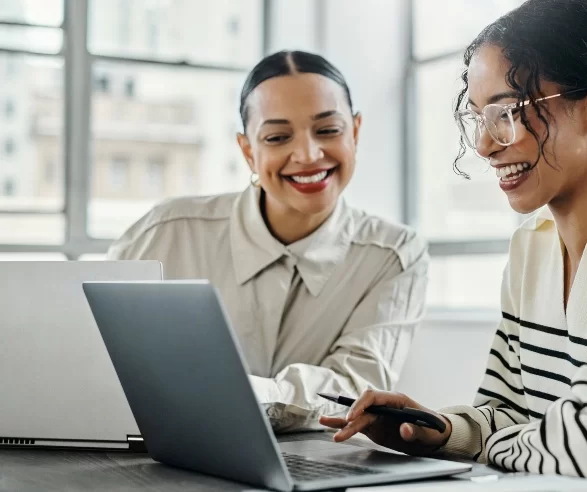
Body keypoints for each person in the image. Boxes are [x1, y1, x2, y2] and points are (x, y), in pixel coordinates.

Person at [321, 0, 587, 491]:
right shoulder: (533, 247)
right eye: (480, 117)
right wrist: (443, 431)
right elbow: (507, 411)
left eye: (507, 112)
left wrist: (489, 445)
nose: (484, 145)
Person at [108, 50, 429, 432]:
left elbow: (354, 390)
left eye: (328, 130)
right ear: (248, 151)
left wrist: (229, 394)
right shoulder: (165, 233)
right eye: (277, 137)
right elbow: (95, 354)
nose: (309, 155)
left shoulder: (394, 255)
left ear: (355, 132)